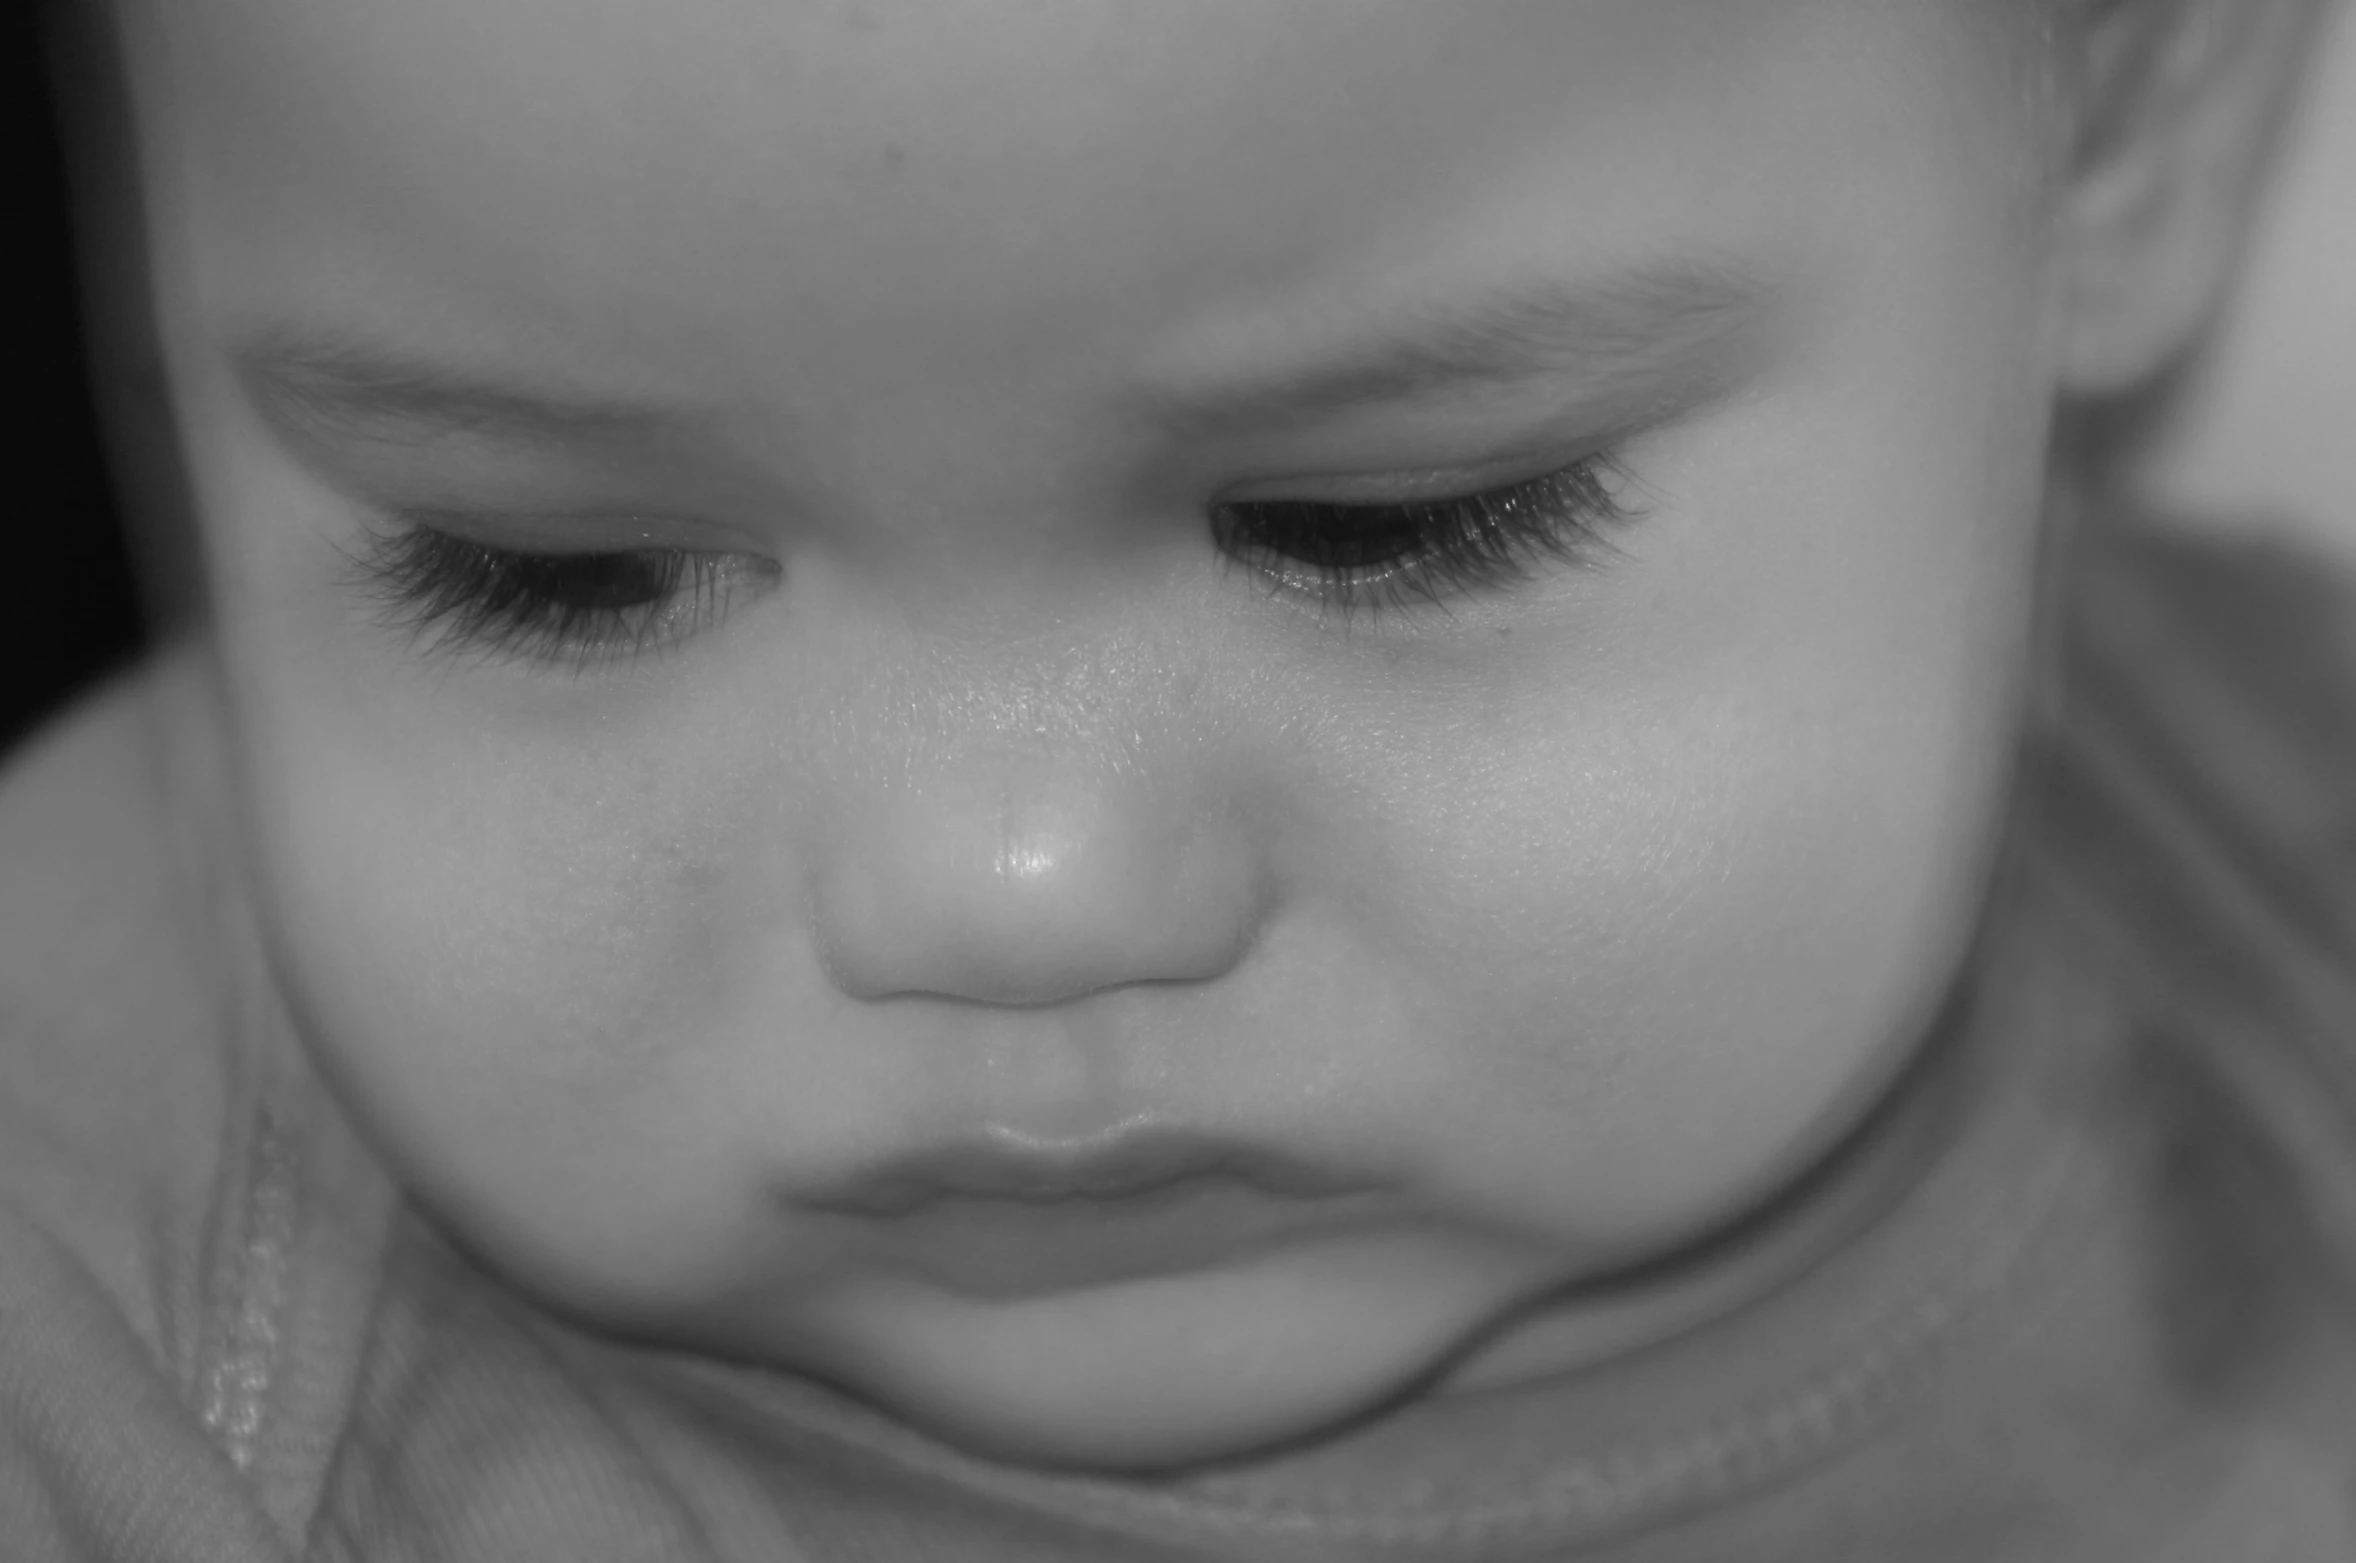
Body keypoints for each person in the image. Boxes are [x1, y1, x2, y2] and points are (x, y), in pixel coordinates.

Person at [4, 0, 2352, 1556]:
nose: (1009, 883)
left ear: (2115, 128)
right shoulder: (92, 1267)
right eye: (565, 574)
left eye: (1398, 521)